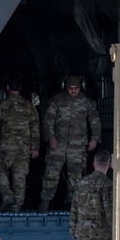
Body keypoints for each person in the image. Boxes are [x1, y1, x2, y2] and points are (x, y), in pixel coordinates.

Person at [38, 75, 101, 213]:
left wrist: (95, 139)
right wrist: (51, 138)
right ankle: (45, 201)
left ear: (81, 87)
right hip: (58, 144)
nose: (73, 91)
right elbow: (48, 120)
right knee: (51, 173)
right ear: (65, 87)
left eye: (76, 88)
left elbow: (94, 120)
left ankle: (74, 205)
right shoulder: (56, 101)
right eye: (70, 88)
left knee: (76, 177)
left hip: (78, 146)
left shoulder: (87, 102)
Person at [0, 75, 40, 212]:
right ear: (21, 88)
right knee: (20, 175)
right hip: (24, 146)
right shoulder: (30, 107)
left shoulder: (0, 106)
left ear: (7, 88)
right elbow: (35, 128)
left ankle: (7, 196)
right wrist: (35, 147)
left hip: (6, 144)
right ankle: (17, 205)